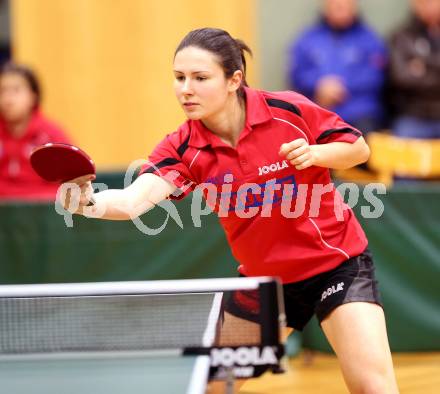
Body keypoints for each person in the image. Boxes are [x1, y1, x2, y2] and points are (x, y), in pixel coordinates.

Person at [60, 28, 399, 393]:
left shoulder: (287, 110)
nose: (185, 89)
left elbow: (358, 148)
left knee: (371, 386)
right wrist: (89, 203)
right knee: (210, 384)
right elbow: (132, 201)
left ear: (234, 79)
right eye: (179, 78)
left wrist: (317, 154)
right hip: (266, 284)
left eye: (200, 78)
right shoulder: (183, 148)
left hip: (336, 264)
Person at [288, 0, 387, 133]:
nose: (340, 5)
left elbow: (376, 76)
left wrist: (339, 87)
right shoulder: (307, 39)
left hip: (360, 114)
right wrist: (319, 85)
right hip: (318, 111)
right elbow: (297, 74)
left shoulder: (370, 39)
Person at [0, 62, 71, 200]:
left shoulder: (51, 134)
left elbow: (71, 183)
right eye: (2, 91)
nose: (8, 99)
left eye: (16, 90)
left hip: (44, 213)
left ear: (33, 96)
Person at [388, 0, 440, 139]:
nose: (431, 6)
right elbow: (401, 78)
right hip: (413, 115)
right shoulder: (401, 36)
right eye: (425, 2)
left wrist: (423, 65)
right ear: (415, 4)